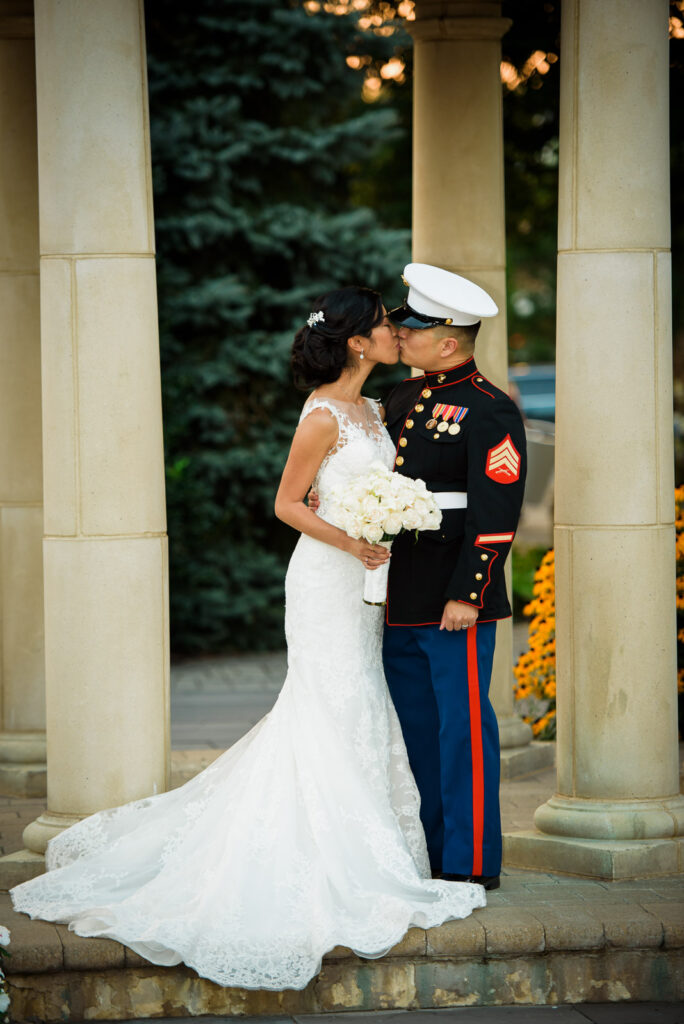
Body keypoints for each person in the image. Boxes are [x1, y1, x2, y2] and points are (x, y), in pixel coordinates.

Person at [11, 286, 485, 992]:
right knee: (326, 703)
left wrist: (387, 523)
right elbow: (286, 504)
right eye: (386, 327)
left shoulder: (379, 409)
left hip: (364, 581)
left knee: (357, 700)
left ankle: (363, 848)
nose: (395, 335)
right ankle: (322, 858)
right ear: (357, 342)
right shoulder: (323, 414)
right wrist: (352, 540)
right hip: (328, 576)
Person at [382, 264, 527, 892]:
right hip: (401, 593)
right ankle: (430, 851)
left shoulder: (491, 410)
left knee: (462, 728)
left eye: (412, 328)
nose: (400, 334)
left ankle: (469, 862)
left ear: (448, 340)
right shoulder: (401, 399)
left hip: (453, 599)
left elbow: (495, 518)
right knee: (417, 728)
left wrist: (466, 596)